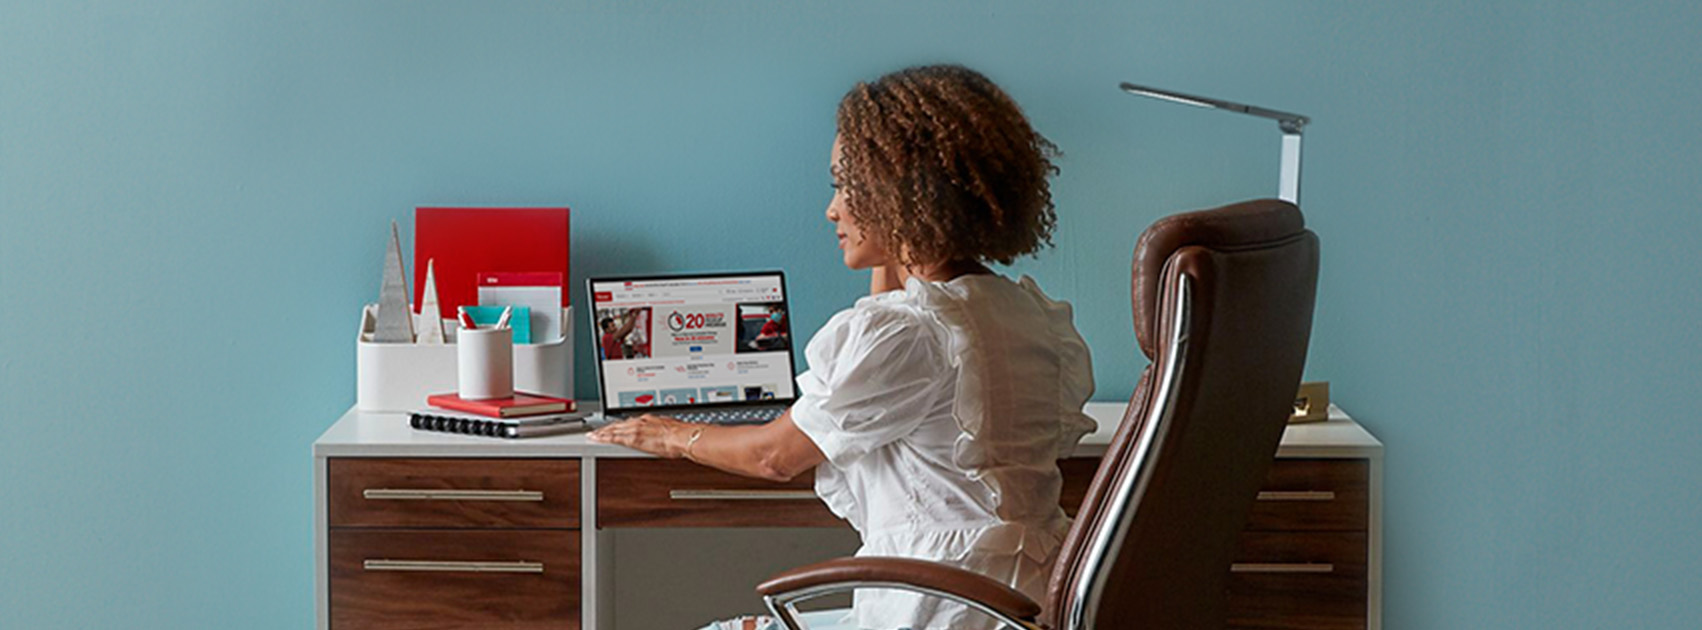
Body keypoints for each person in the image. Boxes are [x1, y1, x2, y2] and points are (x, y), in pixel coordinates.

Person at [589, 64, 1095, 630]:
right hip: (1019, 605)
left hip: (934, 609)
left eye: (845, 184)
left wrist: (672, 435)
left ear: (897, 193)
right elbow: (896, 322)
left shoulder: (908, 333)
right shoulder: (1024, 314)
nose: (832, 209)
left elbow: (773, 456)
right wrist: (897, 244)